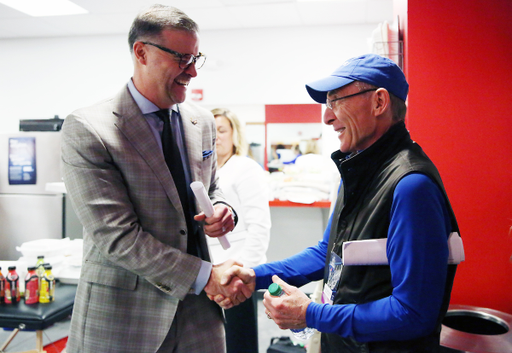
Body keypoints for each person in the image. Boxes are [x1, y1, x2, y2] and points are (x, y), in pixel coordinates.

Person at [218, 54, 460, 353]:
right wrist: (256, 275)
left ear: (379, 102)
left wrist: (310, 313)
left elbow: (413, 313)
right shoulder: (358, 171)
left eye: (336, 101)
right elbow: (328, 254)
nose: (327, 117)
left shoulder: (411, 185)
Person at [61, 5, 250, 353]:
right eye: (181, 58)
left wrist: (223, 210)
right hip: (124, 317)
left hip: (198, 318)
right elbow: (116, 236)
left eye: (196, 58)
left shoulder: (202, 121)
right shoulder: (90, 129)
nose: (192, 71)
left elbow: (211, 187)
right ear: (141, 52)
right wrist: (206, 276)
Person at [209, 108, 271, 353]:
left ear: (235, 134)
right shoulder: (204, 170)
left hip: (236, 271)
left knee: (239, 342)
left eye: (222, 130)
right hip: (209, 271)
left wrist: (244, 270)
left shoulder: (245, 168)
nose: (216, 136)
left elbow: (260, 225)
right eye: (211, 131)